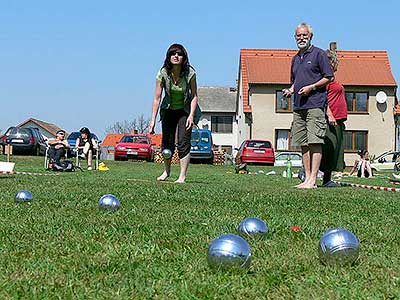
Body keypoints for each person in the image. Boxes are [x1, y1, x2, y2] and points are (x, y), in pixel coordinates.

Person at [283, 23, 334, 189]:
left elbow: (329, 77)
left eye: (304, 35)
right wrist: (290, 90)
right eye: (298, 35)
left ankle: (313, 179)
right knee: (303, 143)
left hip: (315, 104)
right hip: (299, 107)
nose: (301, 38)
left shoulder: (319, 54)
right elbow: (295, 82)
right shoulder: (295, 59)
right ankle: (306, 178)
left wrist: (312, 87)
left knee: (314, 141)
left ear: (310, 36)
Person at [149, 43, 201, 183]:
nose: (176, 56)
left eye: (179, 54)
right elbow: (157, 98)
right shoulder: (163, 73)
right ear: (169, 56)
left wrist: (191, 115)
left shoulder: (190, 73)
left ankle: (182, 176)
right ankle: (167, 171)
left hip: (184, 111)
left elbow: (194, 96)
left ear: (184, 57)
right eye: (173, 53)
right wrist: (153, 120)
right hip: (168, 110)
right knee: (167, 143)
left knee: (183, 142)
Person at [320, 49, 348, 186]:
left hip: (339, 119)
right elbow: (322, 97)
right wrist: (329, 113)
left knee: (335, 149)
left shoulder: (332, 78)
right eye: (337, 61)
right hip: (331, 118)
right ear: (331, 62)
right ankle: (309, 173)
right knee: (328, 148)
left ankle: (327, 179)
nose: (338, 64)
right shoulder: (325, 78)